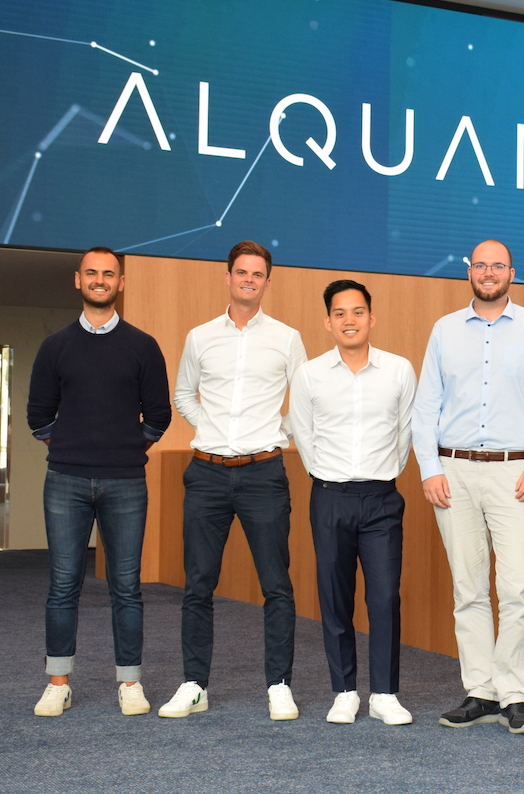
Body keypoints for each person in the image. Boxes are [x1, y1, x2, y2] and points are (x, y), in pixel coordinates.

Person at [411, 239, 524, 734]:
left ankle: (514, 694)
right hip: (453, 473)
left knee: (518, 589)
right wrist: (429, 468)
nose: (489, 272)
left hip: (517, 473)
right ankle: (480, 691)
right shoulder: (444, 329)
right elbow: (426, 404)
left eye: (498, 265)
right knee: (468, 589)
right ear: (469, 272)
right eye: (480, 265)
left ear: (511, 273)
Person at [159, 240, 307, 720]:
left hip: (264, 473)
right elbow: (183, 394)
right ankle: (194, 685)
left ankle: (279, 685)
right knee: (198, 585)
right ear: (228, 277)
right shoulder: (200, 337)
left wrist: (278, 433)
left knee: (276, 586)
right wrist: (210, 428)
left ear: (267, 281)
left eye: (257, 274)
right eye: (241, 272)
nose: (248, 280)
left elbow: (306, 400)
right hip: (206, 474)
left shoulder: (287, 338)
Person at [27, 246, 172, 717]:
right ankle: (58, 683)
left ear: (120, 283)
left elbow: (159, 415)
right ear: (78, 280)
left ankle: (130, 682)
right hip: (65, 480)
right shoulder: (55, 346)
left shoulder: (143, 346)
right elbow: (38, 416)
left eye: (109, 273)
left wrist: (126, 448)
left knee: (126, 586)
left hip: (126, 481)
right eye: (91, 272)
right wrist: (73, 447)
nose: (100, 280)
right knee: (62, 585)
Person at [289, 279, 417, 726]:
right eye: (339, 313)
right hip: (330, 497)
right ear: (328, 322)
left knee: (385, 598)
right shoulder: (309, 374)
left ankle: (384, 693)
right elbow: (303, 435)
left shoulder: (399, 370)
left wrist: (381, 475)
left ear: (371, 317)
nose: (349, 320)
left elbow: (405, 433)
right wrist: (330, 478)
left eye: (358, 311)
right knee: (335, 597)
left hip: (382, 498)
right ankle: (344, 691)